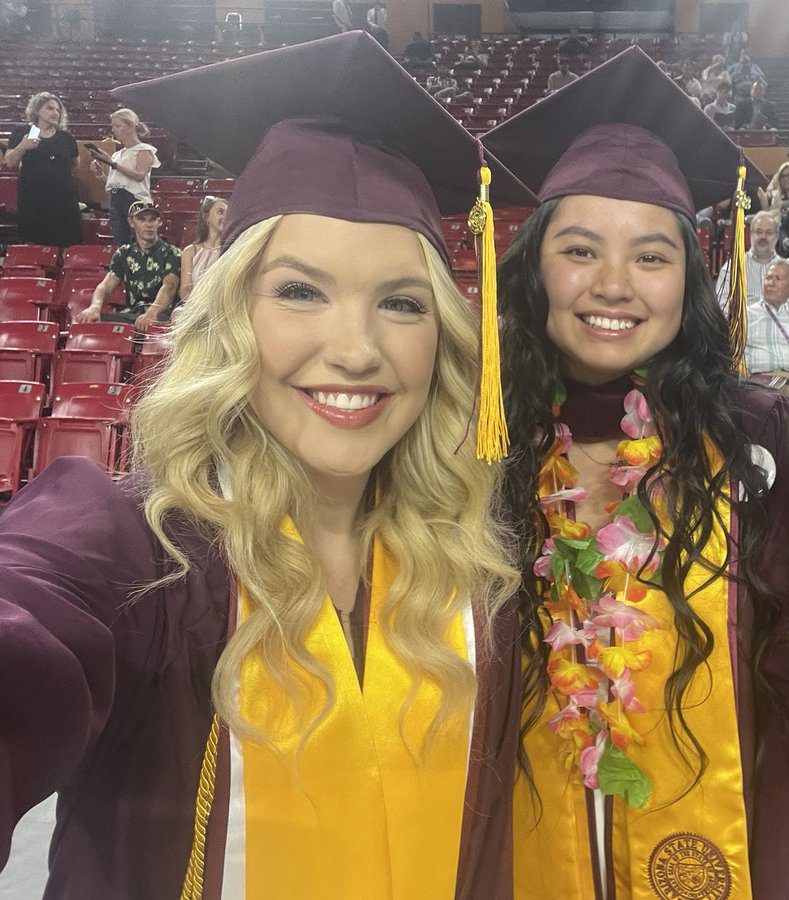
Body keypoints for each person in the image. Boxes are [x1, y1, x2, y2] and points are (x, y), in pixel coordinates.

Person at [0, 33, 536, 898]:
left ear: (442, 338)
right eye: (298, 290)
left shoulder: (475, 576)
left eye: (401, 303)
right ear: (229, 320)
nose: (357, 350)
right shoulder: (131, 549)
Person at [483, 46, 789, 900]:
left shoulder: (763, 447)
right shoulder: (474, 450)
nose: (613, 284)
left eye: (650, 256)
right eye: (580, 250)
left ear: (689, 280)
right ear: (532, 270)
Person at [79, 200, 180, 330]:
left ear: (159, 222)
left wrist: (151, 313)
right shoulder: (124, 253)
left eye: (152, 220)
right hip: (132, 314)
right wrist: (95, 307)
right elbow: (106, 286)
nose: (148, 225)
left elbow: (169, 287)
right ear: (131, 222)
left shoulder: (171, 253)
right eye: (142, 219)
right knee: (92, 322)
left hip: (161, 315)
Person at [2, 91, 83, 246]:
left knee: (66, 241)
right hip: (33, 198)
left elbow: (75, 164)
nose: (55, 113)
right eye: (50, 108)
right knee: (35, 241)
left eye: (58, 110)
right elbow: (10, 161)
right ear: (38, 110)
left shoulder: (66, 137)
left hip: (62, 198)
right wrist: (22, 146)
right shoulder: (22, 132)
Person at [86, 108, 159, 247]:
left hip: (134, 201)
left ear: (131, 126)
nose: (114, 130)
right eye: (113, 126)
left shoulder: (143, 150)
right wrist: (101, 174)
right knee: (121, 242)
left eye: (118, 126)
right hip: (116, 200)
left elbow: (139, 176)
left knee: (136, 242)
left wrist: (113, 164)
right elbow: (117, 183)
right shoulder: (118, 154)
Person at [745, 259, 789, 397]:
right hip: (755, 383)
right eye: (768, 278)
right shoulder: (745, 316)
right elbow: (730, 353)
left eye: (778, 279)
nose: (771, 283)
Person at [715, 211, 789, 308]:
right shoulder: (733, 267)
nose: (763, 237)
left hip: (780, 321)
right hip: (746, 321)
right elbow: (722, 304)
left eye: (769, 233)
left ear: (777, 237)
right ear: (751, 235)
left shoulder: (788, 269)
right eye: (759, 232)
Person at [178, 194, 227, 302]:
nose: (225, 217)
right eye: (220, 212)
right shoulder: (190, 251)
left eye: (228, 214)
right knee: (177, 313)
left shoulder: (230, 251)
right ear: (207, 217)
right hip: (193, 307)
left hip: (219, 307)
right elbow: (185, 289)